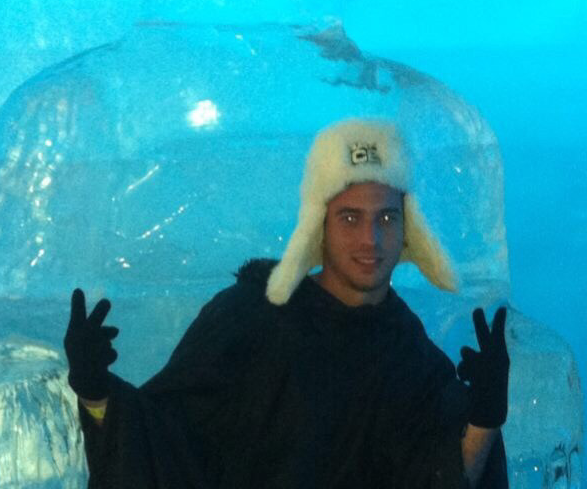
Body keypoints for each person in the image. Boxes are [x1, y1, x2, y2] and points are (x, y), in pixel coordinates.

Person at [64, 118, 510, 488]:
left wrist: (485, 418)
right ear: (319, 225)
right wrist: (96, 390)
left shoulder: (414, 361)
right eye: (349, 217)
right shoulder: (247, 320)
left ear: (408, 230)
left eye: (387, 218)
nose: (370, 239)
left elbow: (445, 480)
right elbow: (162, 443)